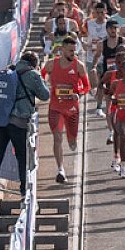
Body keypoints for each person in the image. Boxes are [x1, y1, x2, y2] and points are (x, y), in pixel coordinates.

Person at [0, 51, 49, 206]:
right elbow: (45, 95)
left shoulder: (6, 72)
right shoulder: (32, 74)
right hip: (18, 122)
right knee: (22, 157)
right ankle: (24, 192)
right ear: (35, 64)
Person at [41, 37, 90, 184]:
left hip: (72, 108)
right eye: (70, 51)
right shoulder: (51, 64)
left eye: (74, 51)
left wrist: (79, 93)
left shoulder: (79, 66)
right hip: (55, 107)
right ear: (62, 50)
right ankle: (60, 169)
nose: (73, 53)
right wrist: (46, 85)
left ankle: (72, 137)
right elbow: (41, 75)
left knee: (72, 142)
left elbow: (87, 86)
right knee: (57, 137)